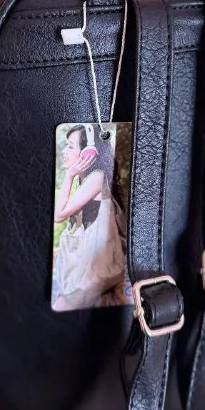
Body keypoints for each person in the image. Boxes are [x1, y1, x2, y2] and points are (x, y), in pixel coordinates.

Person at [53, 124, 127, 310]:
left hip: (96, 266)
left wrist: (69, 175)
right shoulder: (88, 180)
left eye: (70, 146)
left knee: (61, 305)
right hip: (91, 263)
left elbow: (58, 215)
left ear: (89, 153)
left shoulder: (97, 177)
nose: (64, 151)